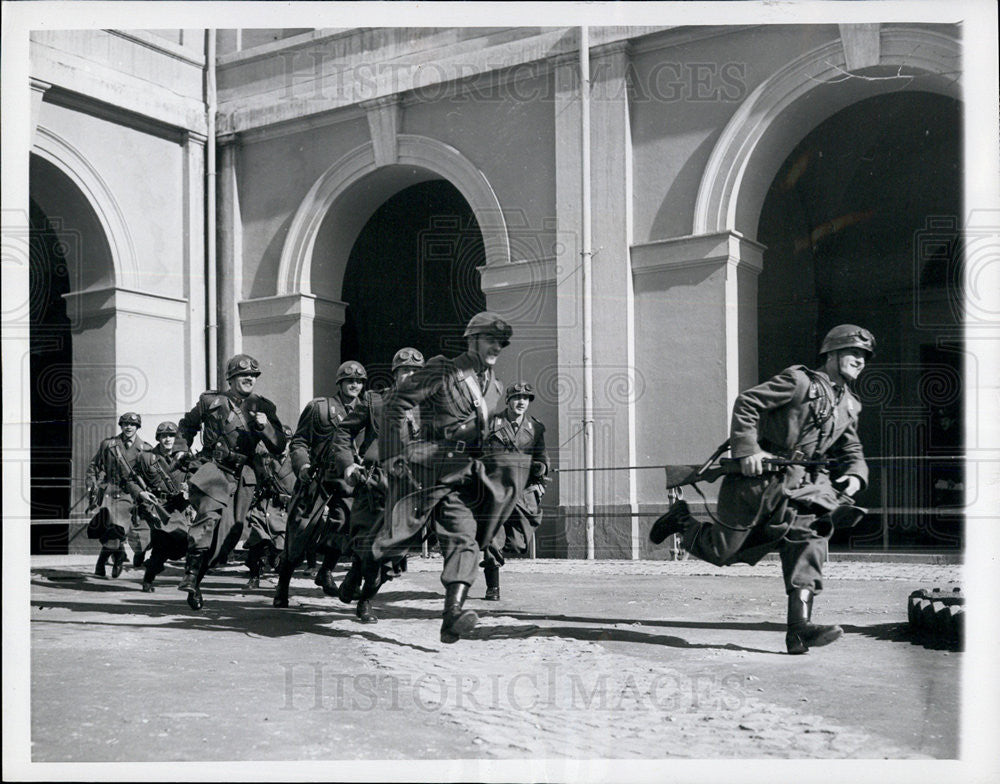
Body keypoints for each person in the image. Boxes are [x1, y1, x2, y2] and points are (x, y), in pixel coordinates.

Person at [649, 324, 875, 654]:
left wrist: (855, 476)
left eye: (864, 356)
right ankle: (681, 520)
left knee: (809, 540)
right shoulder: (799, 381)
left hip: (800, 489)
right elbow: (748, 402)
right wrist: (748, 450)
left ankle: (799, 630)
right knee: (722, 551)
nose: (860, 361)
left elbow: (852, 449)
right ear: (831, 354)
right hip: (755, 483)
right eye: (853, 352)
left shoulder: (849, 405)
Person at [378, 312, 527, 643]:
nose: (496, 347)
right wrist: (392, 455)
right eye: (490, 339)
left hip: (460, 474)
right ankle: (357, 582)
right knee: (392, 541)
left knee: (465, 538)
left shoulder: (496, 386)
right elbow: (397, 404)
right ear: (472, 339)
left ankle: (452, 616)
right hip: (425, 470)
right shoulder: (445, 369)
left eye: (501, 343)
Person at [176, 354, 287, 610]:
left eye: (253, 376)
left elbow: (279, 444)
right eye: (243, 375)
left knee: (230, 533)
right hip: (215, 468)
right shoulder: (211, 401)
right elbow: (187, 426)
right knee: (209, 515)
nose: (249, 379)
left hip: (244, 475)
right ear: (231, 378)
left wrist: (266, 427)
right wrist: (181, 449)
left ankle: (197, 580)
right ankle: (190, 574)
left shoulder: (264, 407)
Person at [328, 346, 426, 624]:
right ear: (395, 375)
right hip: (374, 483)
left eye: (416, 372)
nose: (410, 376)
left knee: (391, 555)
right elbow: (344, 432)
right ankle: (360, 587)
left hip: (407, 491)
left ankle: (364, 593)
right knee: (367, 543)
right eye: (405, 371)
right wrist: (348, 464)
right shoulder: (375, 401)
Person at [274, 360, 370, 605]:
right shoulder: (320, 408)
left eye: (359, 381)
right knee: (299, 534)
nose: (355, 385)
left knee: (344, 523)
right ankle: (283, 585)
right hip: (316, 478)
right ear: (340, 383)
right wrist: (302, 466)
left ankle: (326, 570)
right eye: (350, 381)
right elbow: (299, 442)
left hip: (346, 480)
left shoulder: (367, 410)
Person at [481, 381, 549, 601]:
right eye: (517, 397)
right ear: (508, 401)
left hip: (522, 491)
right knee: (493, 537)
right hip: (496, 489)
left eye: (526, 398)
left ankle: (499, 554)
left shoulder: (536, 428)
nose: (521, 402)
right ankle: (493, 587)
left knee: (519, 543)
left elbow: (542, 458)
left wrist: (541, 473)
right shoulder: (491, 423)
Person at [85, 412, 155, 578]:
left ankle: (111, 558)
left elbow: (152, 475)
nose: (128, 427)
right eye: (124, 424)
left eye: (132, 425)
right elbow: (94, 466)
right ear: (121, 426)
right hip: (111, 493)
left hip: (135, 495)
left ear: (138, 427)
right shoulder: (109, 445)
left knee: (127, 532)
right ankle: (112, 559)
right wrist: (92, 486)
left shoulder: (146, 448)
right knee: (114, 527)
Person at [131, 421, 193, 592]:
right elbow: (130, 479)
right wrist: (140, 493)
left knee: (183, 543)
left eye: (171, 436)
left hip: (177, 507)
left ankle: (151, 566)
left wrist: (190, 487)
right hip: (155, 507)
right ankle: (148, 579)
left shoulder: (185, 458)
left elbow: (195, 477)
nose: (168, 439)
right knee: (161, 543)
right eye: (164, 436)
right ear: (158, 438)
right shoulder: (146, 457)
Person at [243, 431, 296, 589]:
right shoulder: (265, 459)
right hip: (265, 504)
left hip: (285, 509)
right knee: (256, 541)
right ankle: (254, 576)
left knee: (281, 548)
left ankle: (282, 581)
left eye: (287, 441)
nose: (283, 445)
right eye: (280, 441)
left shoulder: (297, 461)